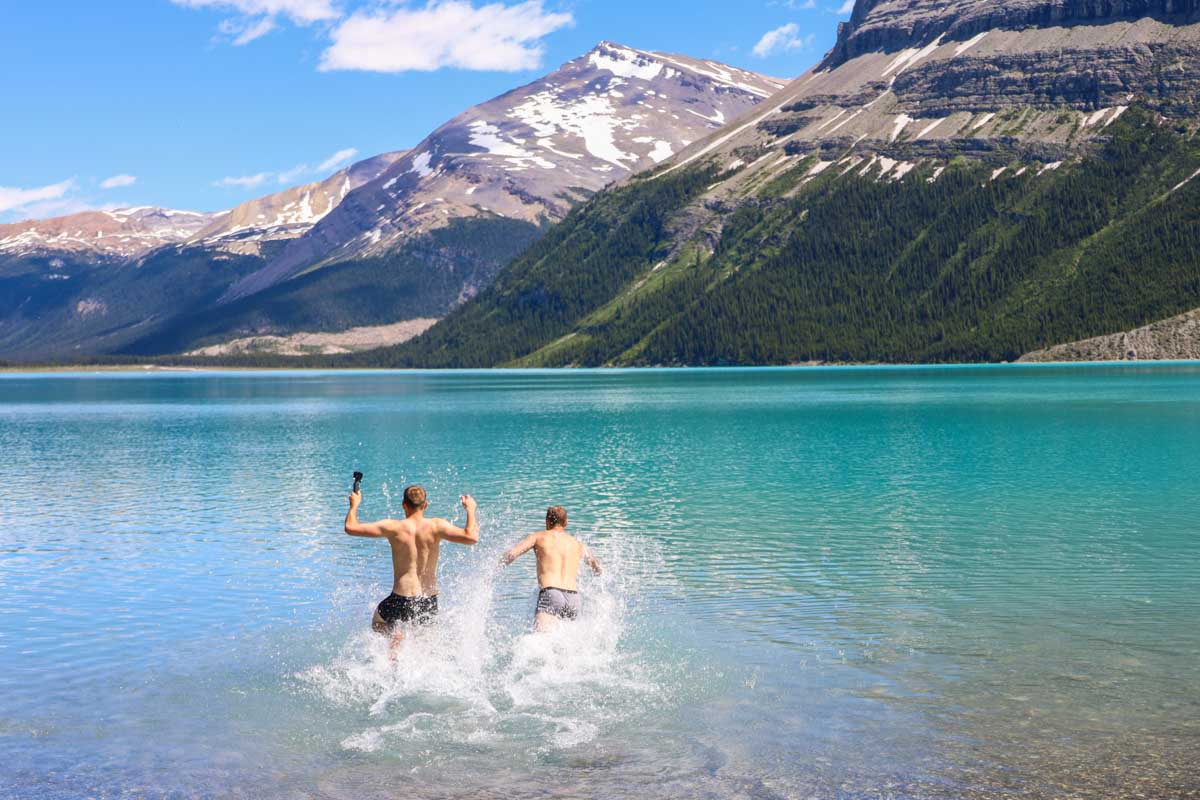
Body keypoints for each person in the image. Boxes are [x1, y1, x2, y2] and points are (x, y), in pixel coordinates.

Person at [345, 484, 479, 647]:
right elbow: (471, 537)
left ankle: (394, 638)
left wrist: (354, 505)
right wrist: (470, 509)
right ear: (425, 505)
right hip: (427, 599)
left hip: (400, 598)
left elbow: (350, 528)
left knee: (378, 624)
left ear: (404, 505)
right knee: (424, 643)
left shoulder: (393, 527)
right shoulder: (437, 526)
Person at [501, 506, 602, 631]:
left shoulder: (538, 537)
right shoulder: (577, 544)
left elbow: (512, 554)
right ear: (566, 522)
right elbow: (597, 567)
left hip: (551, 594)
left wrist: (495, 567)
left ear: (547, 521)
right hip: (573, 598)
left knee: (540, 642)